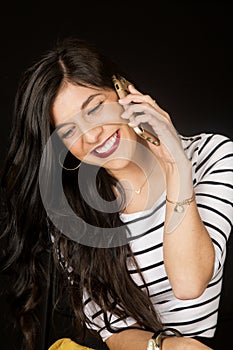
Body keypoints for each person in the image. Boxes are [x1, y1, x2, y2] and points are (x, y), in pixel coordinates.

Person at [0, 36, 232, 350]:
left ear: (122, 90)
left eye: (94, 108)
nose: (92, 134)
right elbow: (116, 333)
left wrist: (176, 166)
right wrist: (168, 347)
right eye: (69, 130)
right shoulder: (72, 215)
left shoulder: (214, 155)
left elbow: (190, 282)